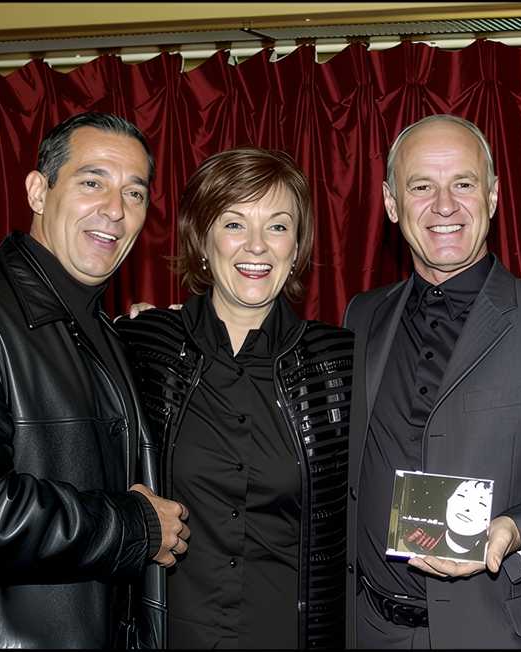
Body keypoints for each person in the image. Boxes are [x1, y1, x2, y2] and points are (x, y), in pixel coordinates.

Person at [0, 112, 191, 648]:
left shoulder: (102, 331)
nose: (115, 211)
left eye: (134, 194)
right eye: (92, 182)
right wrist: (134, 527)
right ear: (38, 191)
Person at [344, 114, 521, 648]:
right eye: (421, 186)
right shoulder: (361, 316)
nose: (444, 205)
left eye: (464, 184)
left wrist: (515, 530)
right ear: (390, 202)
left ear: (493, 196)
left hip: (501, 632)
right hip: (371, 630)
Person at [116, 147, 355, 649]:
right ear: (202, 240)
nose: (257, 247)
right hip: (168, 634)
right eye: (233, 224)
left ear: (297, 246)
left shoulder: (344, 364)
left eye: (277, 226)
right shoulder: (144, 344)